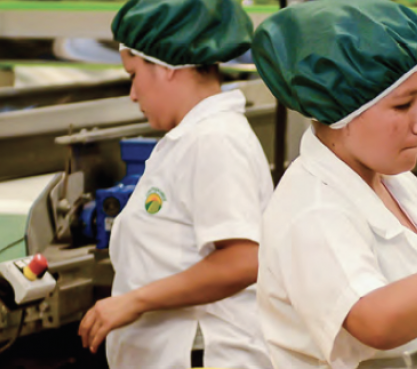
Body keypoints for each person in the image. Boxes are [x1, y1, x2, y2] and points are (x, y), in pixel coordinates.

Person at [251, 1, 417, 367]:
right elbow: (374, 319)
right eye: (403, 106)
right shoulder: (312, 209)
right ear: (339, 109)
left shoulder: (398, 185)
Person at [77, 1, 273, 368]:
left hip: (204, 355)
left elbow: (244, 260)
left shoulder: (215, 140)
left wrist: (132, 301)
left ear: (166, 66)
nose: (133, 93)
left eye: (133, 74)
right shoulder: (192, 138)